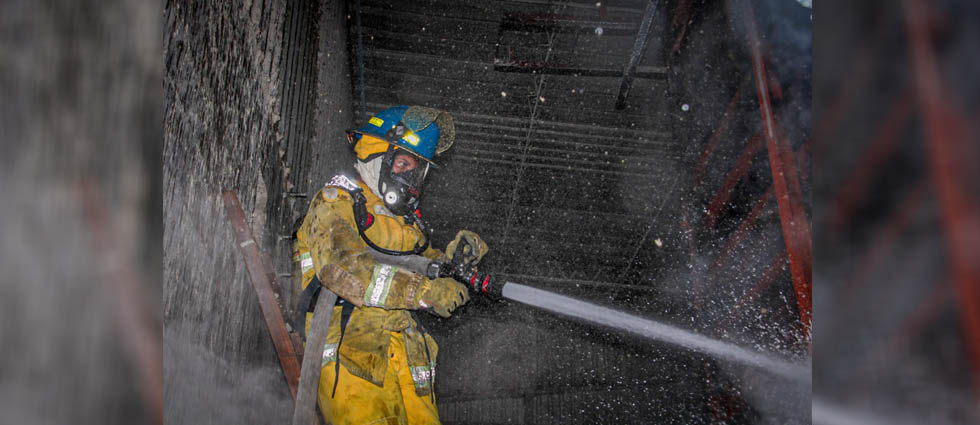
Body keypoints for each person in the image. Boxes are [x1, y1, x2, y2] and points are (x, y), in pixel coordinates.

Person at [292, 105, 488, 424]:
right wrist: (426, 292)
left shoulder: (405, 229)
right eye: (403, 165)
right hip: (355, 358)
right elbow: (345, 268)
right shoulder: (337, 201)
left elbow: (427, 267)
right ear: (377, 154)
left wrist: (458, 263)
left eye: (417, 172)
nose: (410, 180)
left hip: (409, 364)